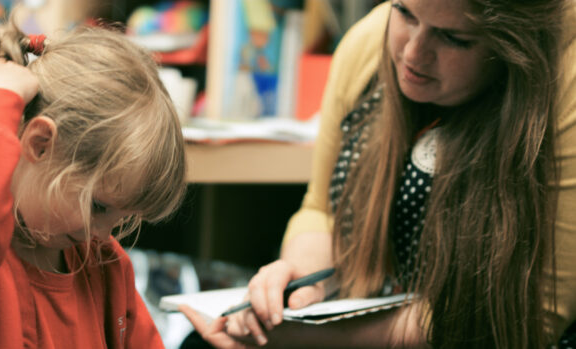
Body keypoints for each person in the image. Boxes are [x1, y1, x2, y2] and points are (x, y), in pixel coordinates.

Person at [180, 0, 576, 347]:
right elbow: (323, 210)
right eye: (404, 11)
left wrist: (310, 338)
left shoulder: (563, 80)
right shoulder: (367, 44)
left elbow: (533, 321)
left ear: (513, 45)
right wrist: (300, 283)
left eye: (454, 38)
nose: (414, 54)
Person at [0, 17, 186, 348]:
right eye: (98, 206)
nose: (104, 234)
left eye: (121, 218)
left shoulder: (105, 264)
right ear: (39, 144)